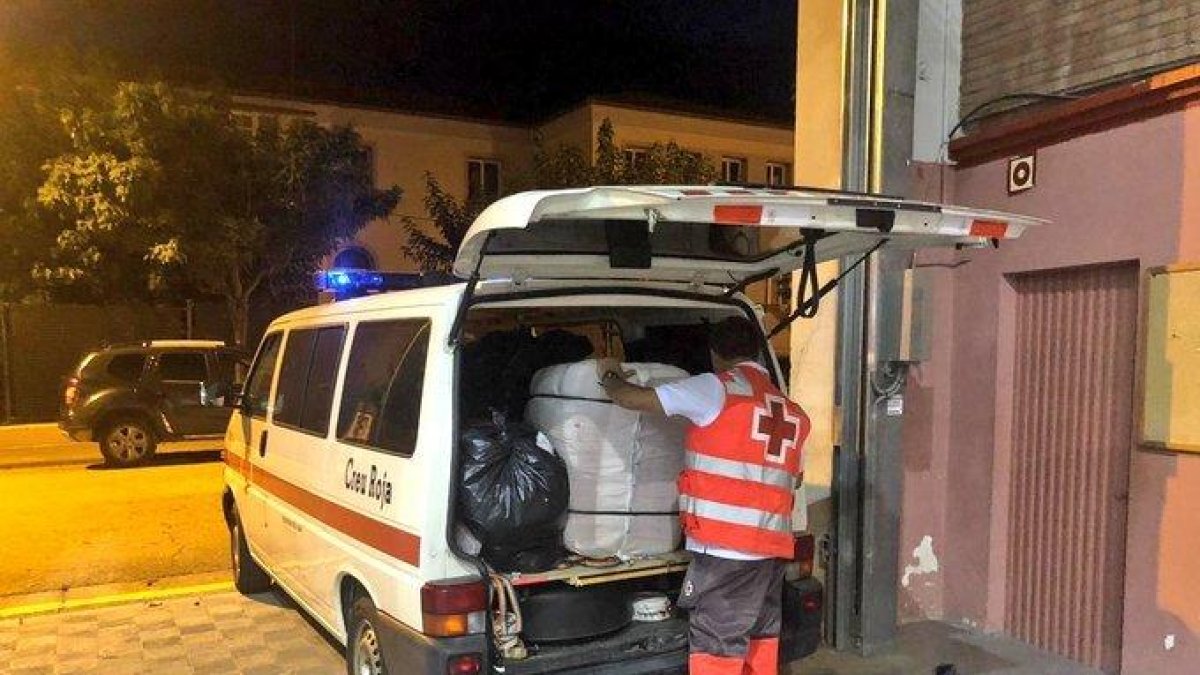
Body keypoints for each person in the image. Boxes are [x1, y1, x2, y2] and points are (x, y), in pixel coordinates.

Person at [597, 315, 810, 675]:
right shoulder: (792, 412)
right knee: (760, 633)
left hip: (728, 549)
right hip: (771, 548)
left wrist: (609, 373)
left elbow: (631, 399)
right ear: (758, 351)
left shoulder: (717, 389)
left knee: (718, 641)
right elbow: (796, 478)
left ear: (715, 353)